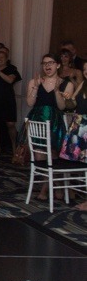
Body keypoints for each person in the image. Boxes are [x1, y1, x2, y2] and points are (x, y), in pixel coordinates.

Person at [22, 53, 71, 201]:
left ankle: (45, 189)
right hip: (38, 120)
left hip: (55, 121)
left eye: (50, 62)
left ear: (58, 65)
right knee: (39, 155)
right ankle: (56, 184)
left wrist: (57, 91)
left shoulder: (66, 83)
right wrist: (36, 87)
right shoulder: (34, 81)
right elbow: (30, 103)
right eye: (44, 63)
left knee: (53, 155)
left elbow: (62, 106)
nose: (47, 66)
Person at [58, 61, 87, 210]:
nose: (86, 71)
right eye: (85, 69)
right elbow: (72, 104)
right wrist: (67, 97)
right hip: (79, 125)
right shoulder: (83, 85)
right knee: (79, 162)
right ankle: (72, 191)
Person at [0, 48, 21, 154]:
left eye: (2, 58)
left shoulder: (11, 68)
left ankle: (14, 147)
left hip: (7, 99)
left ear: (6, 59)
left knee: (10, 124)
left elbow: (10, 80)